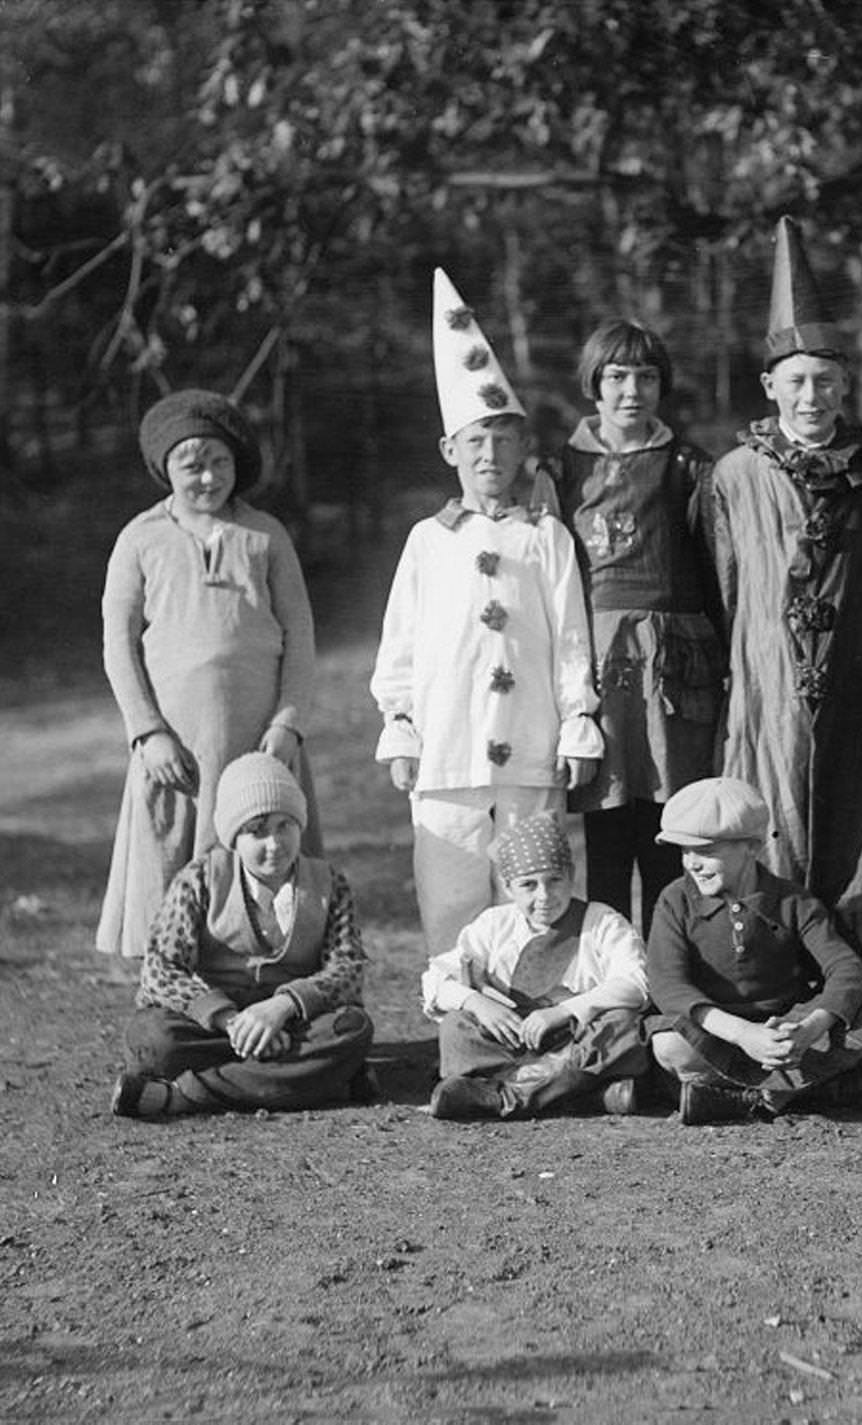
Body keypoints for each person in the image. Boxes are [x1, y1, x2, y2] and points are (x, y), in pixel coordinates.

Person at [371, 268, 602, 958]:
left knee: (531, 884)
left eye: (503, 440)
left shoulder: (545, 536)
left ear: (523, 447)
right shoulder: (427, 541)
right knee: (450, 888)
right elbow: (401, 646)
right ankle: (459, 1020)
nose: (489, 456)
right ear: (449, 451)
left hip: (529, 745)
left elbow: (569, 638)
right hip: (447, 749)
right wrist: (402, 725)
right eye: (474, 442)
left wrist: (577, 720)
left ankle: (532, 1006)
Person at [704, 217, 862, 984]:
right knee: (774, 827)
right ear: (771, 387)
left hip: (860, 685)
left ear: (844, 384)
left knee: (861, 836)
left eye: (825, 380)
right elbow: (724, 589)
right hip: (769, 689)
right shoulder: (736, 477)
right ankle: (775, 987)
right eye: (797, 381)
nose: (812, 395)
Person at [96, 389, 322, 971]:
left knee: (261, 854)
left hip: (258, 743)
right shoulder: (140, 539)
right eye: (190, 464)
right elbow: (118, 647)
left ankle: (263, 983)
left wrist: (288, 724)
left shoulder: (266, 536)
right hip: (179, 749)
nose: (207, 477)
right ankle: (176, 994)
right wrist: (149, 734)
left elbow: (300, 635)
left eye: (219, 461)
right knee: (173, 867)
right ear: (165, 469)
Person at [546, 318, 724, 933]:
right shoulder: (562, 470)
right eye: (617, 377)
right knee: (607, 831)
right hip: (597, 665)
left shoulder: (687, 466)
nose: (632, 391)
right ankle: (613, 974)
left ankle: (669, 965)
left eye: (646, 377)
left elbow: (715, 567)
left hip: (674, 665)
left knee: (667, 828)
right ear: (593, 384)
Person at [111, 753, 372, 1118]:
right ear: (233, 837)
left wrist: (279, 1009)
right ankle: (306, 1080)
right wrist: (233, 1022)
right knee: (152, 1038)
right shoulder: (200, 879)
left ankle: (186, 1095)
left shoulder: (329, 883)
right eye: (257, 830)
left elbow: (348, 968)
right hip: (216, 1026)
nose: (274, 843)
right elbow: (161, 969)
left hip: (293, 1023)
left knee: (351, 1029)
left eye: (285, 826)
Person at [645, 776, 862, 1126]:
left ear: (752, 846)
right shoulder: (675, 900)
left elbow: (845, 969)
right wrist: (742, 1034)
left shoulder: (793, 901)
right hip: (716, 1030)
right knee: (670, 1045)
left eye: (705, 850)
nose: (692, 863)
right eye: (685, 851)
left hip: (784, 1030)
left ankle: (738, 1098)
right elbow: (667, 984)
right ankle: (800, 1094)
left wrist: (807, 1029)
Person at [420, 813, 650, 1120]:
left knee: (623, 1025)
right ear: (507, 886)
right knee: (456, 1026)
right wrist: (477, 1002)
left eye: (554, 880)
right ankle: (581, 1096)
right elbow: (436, 979)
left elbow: (637, 981)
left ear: (571, 874)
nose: (544, 896)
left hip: (573, 1042)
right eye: (528, 885)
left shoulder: (601, 921)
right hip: (511, 1045)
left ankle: (505, 1096)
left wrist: (563, 1012)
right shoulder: (494, 924)